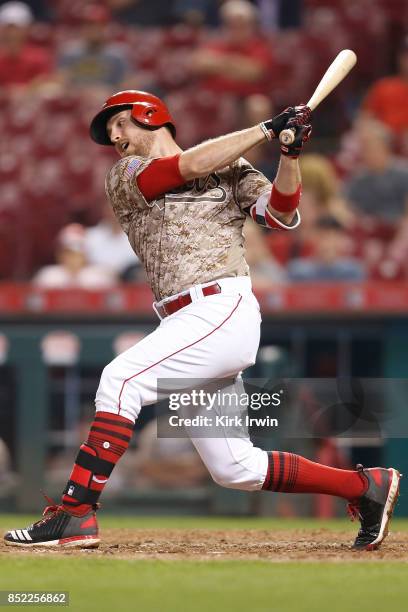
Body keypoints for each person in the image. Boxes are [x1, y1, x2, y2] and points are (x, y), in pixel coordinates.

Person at [4, 90, 400, 551]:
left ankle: (75, 515)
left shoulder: (232, 169)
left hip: (220, 307)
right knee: (236, 468)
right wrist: (267, 130)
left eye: (119, 124)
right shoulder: (125, 175)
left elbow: (282, 213)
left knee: (120, 381)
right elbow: (187, 166)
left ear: (149, 116)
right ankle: (365, 487)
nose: (113, 136)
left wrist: (289, 155)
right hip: (182, 321)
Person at [33, 223, 117, 289]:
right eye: (69, 253)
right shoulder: (48, 276)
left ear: (85, 255)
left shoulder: (99, 276)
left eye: (77, 253)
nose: (73, 258)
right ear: (60, 254)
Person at [0, 1, 54, 91]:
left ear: (27, 29)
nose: (12, 33)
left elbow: (46, 84)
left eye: (16, 28)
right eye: (8, 28)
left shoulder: (39, 57)